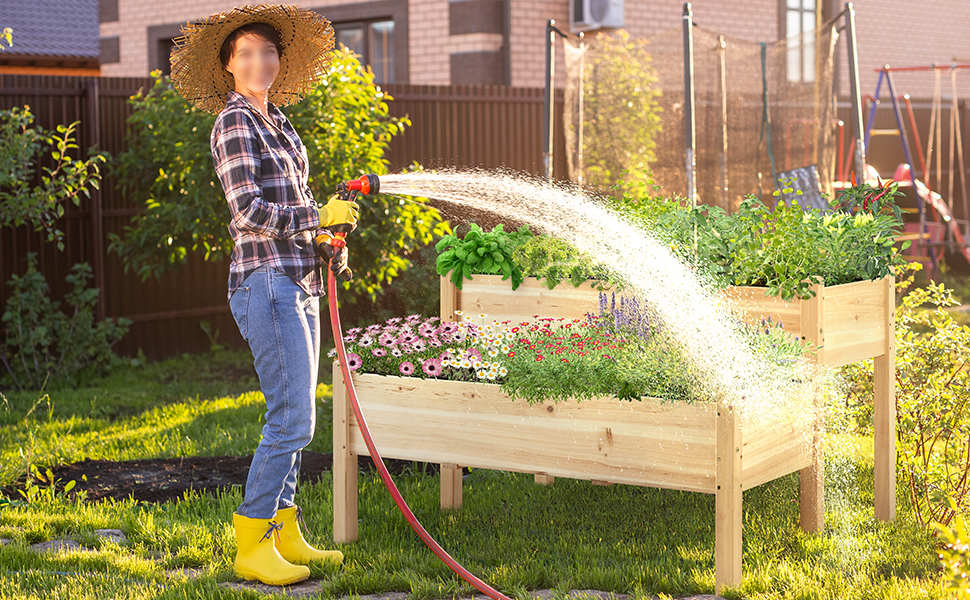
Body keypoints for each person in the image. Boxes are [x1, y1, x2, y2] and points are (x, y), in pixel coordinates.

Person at [169, 4, 355, 586]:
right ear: (229, 65)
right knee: (291, 416)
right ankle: (251, 540)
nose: (259, 61)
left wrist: (326, 239)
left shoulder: (282, 123)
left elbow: (292, 214)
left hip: (299, 276)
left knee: (301, 412)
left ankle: (287, 532)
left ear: (279, 61)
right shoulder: (233, 123)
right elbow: (247, 210)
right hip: (265, 282)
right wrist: (314, 211)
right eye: (245, 53)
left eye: (268, 52)